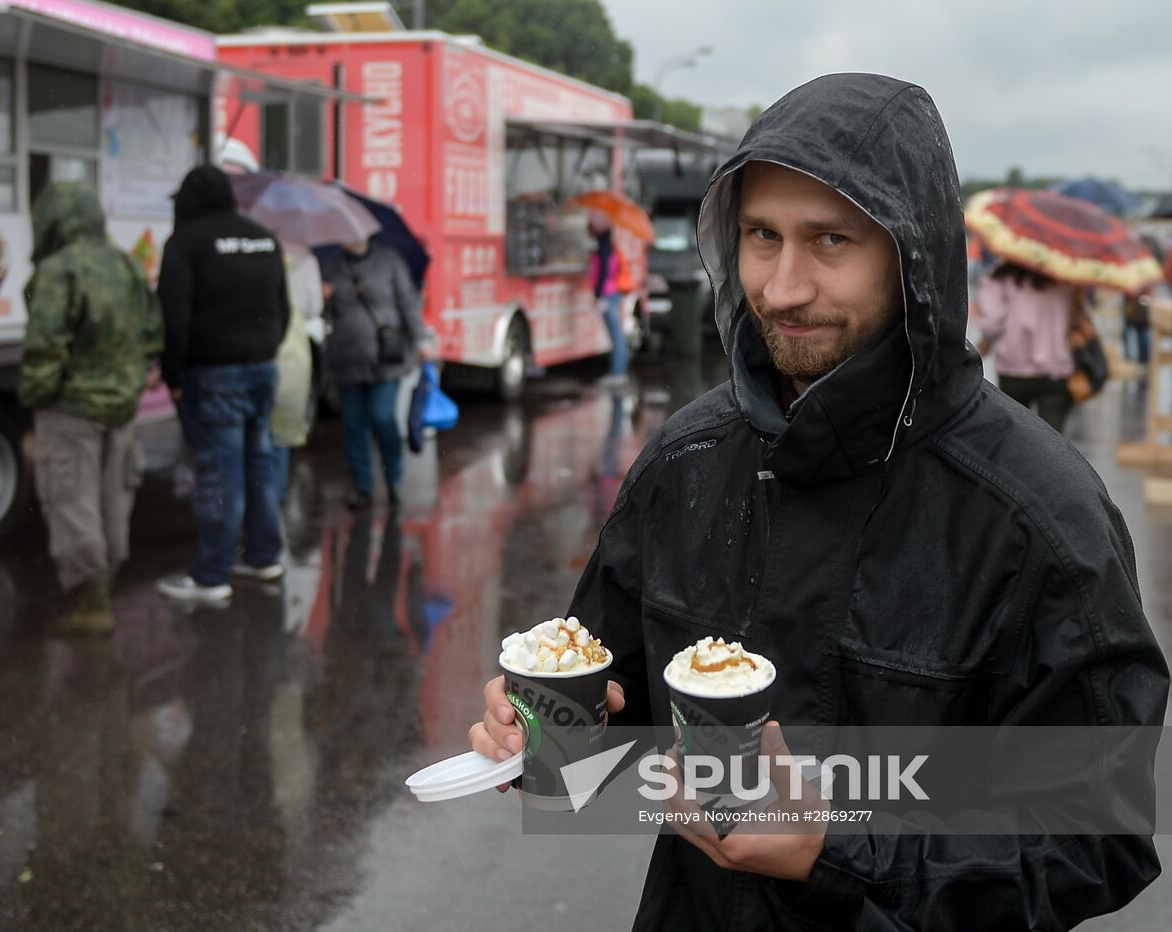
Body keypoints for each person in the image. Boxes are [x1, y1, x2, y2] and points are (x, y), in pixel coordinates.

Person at [469, 73, 1168, 930]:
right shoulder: (687, 461)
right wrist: (545, 734)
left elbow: (1098, 835)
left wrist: (834, 849)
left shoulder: (1040, 518)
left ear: (913, 257)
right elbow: (615, 709)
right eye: (762, 235)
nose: (783, 287)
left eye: (831, 240)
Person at [20, 181, 161, 635]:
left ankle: (92, 603)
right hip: (122, 407)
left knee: (72, 498)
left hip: (73, 408)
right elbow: (152, 334)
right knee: (114, 496)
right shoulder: (127, 265)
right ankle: (105, 586)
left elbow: (44, 346)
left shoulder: (59, 270)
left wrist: (38, 399)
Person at [156, 166, 290, 602]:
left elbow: (174, 317)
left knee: (221, 471)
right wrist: (262, 349)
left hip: (214, 374)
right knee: (259, 464)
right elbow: (283, 309)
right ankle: (264, 556)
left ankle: (211, 574)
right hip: (263, 368)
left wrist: (173, 375)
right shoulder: (264, 238)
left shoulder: (186, 242)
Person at [321, 236, 427, 511]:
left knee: (382, 418)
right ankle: (362, 487)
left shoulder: (389, 261)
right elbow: (325, 314)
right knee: (354, 425)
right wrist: (324, 298)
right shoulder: (333, 266)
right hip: (346, 359)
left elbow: (408, 302)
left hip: (384, 358)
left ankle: (394, 478)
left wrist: (420, 340)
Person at [973, 262, 1079, 431]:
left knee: (1014, 434)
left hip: (1014, 367)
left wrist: (986, 341)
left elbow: (992, 323)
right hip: (1056, 368)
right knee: (1053, 438)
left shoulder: (1002, 278)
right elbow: (1078, 319)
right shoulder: (1065, 280)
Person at [270, 241, 320, 504]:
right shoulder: (306, 260)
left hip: (262, 348)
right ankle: (275, 499)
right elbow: (314, 308)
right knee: (282, 432)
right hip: (294, 349)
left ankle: (259, 501)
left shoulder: (256, 250)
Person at [589, 211, 630, 385]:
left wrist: (599, 295)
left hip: (608, 295)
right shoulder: (609, 247)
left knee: (616, 336)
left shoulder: (604, 248)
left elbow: (603, 273)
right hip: (613, 294)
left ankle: (618, 373)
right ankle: (619, 371)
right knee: (618, 335)